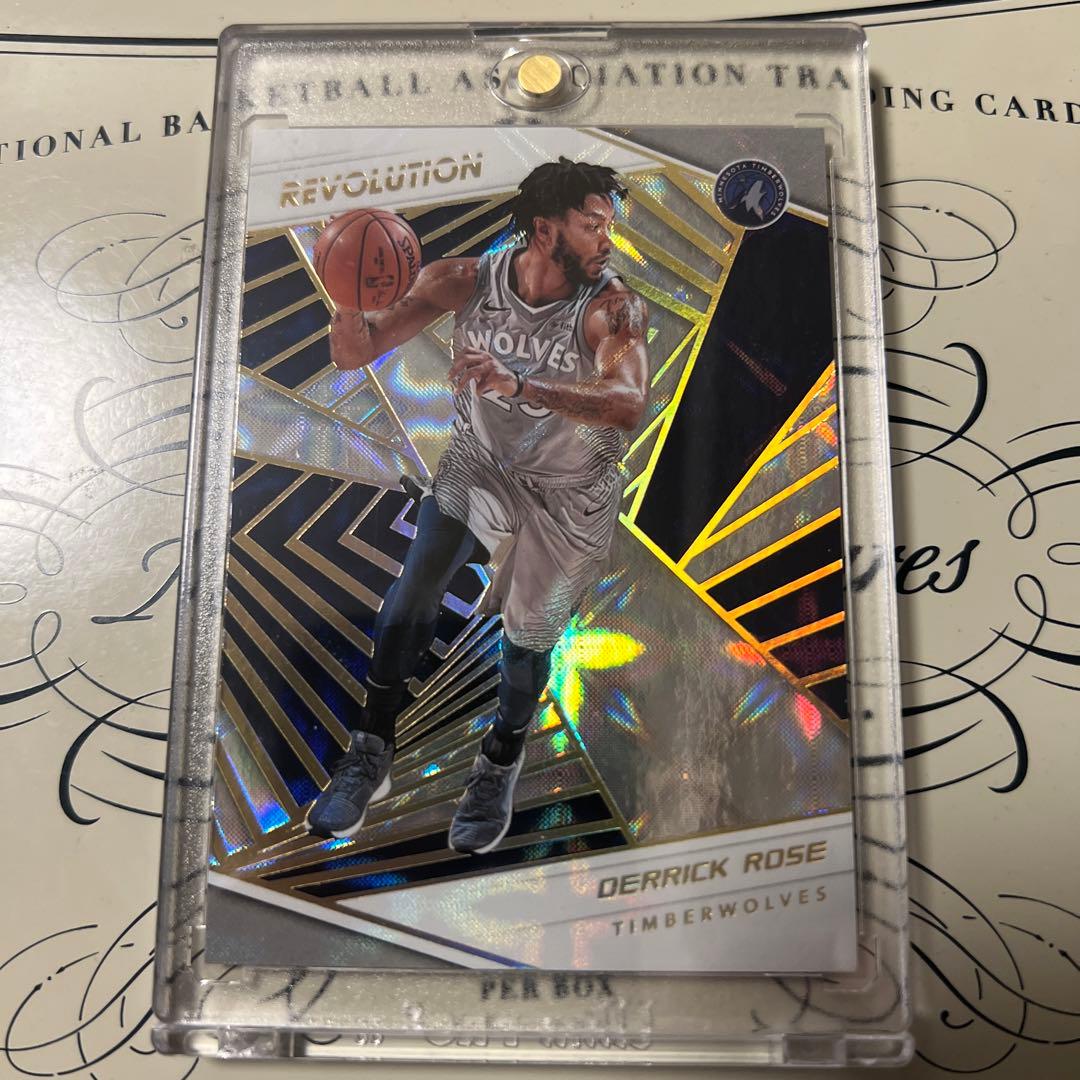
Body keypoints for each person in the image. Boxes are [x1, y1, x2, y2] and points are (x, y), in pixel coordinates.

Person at [306, 156, 649, 854]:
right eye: (592, 225)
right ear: (545, 229)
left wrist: (520, 385)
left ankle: (498, 762)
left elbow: (626, 402)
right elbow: (355, 352)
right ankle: (369, 750)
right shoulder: (463, 280)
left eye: (608, 226)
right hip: (482, 464)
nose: (606, 240)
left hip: (571, 491)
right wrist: (345, 294)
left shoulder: (612, 306)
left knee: (525, 643)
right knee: (418, 579)